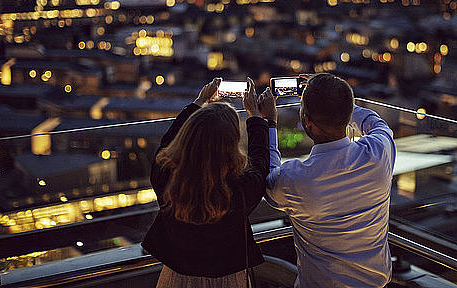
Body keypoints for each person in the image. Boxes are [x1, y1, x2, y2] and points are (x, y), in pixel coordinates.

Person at [265, 73, 397, 288]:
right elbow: (377, 123)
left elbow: (268, 177)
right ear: (347, 114)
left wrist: (269, 122)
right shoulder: (379, 154)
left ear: (307, 122)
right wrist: (336, 102)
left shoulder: (296, 180)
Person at [142, 77, 273, 287]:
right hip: (228, 279)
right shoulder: (240, 190)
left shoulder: (165, 175)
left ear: (187, 136)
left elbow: (167, 142)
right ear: (231, 145)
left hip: (176, 277)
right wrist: (257, 117)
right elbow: (260, 160)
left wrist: (199, 101)